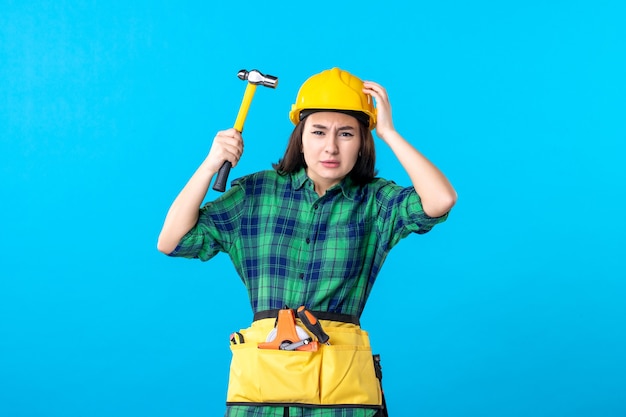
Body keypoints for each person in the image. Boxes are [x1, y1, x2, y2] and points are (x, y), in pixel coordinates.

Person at [157, 67, 457, 417]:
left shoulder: (376, 202)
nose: (330, 146)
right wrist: (209, 166)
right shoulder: (256, 193)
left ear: (362, 142)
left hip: (341, 398)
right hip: (263, 396)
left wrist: (388, 132)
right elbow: (172, 241)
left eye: (346, 134)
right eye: (318, 132)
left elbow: (440, 201)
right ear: (300, 137)